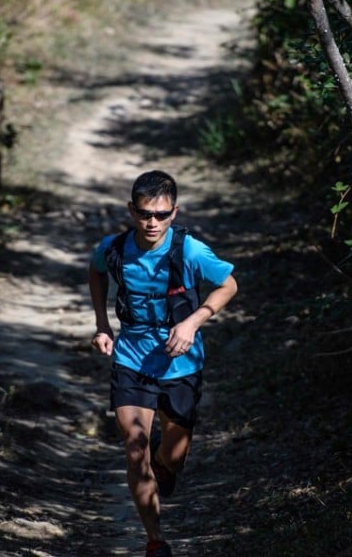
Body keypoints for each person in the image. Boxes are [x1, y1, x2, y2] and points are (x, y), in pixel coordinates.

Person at [88, 170, 238, 557]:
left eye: (161, 214)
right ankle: (155, 542)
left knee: (170, 460)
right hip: (131, 360)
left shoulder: (189, 250)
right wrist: (103, 325)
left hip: (181, 365)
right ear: (131, 211)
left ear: (174, 212)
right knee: (134, 447)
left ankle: (164, 462)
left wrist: (192, 321)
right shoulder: (115, 248)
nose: (152, 223)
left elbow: (229, 284)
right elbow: (96, 270)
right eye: (143, 214)